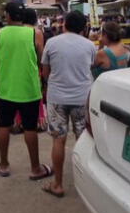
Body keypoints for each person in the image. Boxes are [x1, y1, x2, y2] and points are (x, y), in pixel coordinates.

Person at [40, 11, 97, 198]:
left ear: (64, 24)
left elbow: (45, 71)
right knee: (84, 140)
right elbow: (90, 67)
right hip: (82, 97)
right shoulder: (90, 46)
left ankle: (57, 184)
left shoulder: (52, 43)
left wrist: (54, 83)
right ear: (83, 28)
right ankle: (87, 185)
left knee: (58, 139)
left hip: (57, 98)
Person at [0, 2, 51, 180]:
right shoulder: (35, 33)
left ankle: (4, 165)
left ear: (8, 16)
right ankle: (35, 168)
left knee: (4, 126)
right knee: (30, 128)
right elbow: (42, 58)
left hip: (5, 88)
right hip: (29, 88)